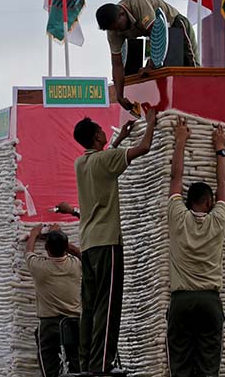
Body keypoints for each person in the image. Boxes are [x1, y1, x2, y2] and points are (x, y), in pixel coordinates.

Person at [73, 108, 157, 373]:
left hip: (87, 244)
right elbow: (143, 148)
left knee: (90, 307)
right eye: (101, 131)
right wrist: (152, 122)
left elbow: (107, 159)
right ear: (98, 135)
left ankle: (86, 361)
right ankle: (102, 364)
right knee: (108, 306)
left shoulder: (82, 163)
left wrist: (119, 139)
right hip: (107, 242)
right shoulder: (104, 161)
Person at [166, 118, 225, 377]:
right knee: (208, 367)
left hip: (181, 301)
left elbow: (175, 177)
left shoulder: (177, 216)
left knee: (180, 366)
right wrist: (220, 148)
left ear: (187, 200)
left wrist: (181, 140)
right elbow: (223, 184)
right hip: (209, 301)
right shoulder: (218, 220)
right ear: (210, 202)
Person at [96, 0, 198, 112]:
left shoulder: (138, 1)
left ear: (122, 14)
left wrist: (150, 65)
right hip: (156, 36)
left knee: (192, 69)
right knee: (156, 71)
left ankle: (198, 99)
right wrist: (119, 95)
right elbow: (117, 64)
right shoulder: (113, 30)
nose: (117, 31)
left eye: (118, 27)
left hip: (174, 25)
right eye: (113, 29)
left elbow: (156, 36)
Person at [26, 224, 82, 377]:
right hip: (73, 324)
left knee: (49, 368)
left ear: (46, 248)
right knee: (76, 367)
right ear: (65, 248)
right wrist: (59, 234)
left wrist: (33, 234)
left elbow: (29, 252)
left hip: (50, 325)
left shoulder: (40, 267)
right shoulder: (75, 265)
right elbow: (80, 253)